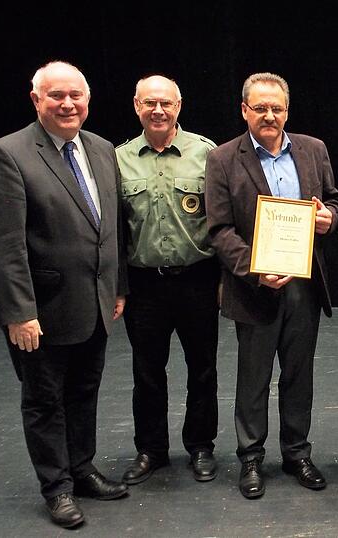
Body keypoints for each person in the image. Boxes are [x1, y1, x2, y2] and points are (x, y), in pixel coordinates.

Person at [0, 61, 129, 528]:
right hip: (41, 311)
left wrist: (118, 286)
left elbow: (112, 228)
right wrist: (18, 312)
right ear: (36, 99)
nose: (68, 104)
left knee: (84, 391)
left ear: (88, 100)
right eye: (56, 96)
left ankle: (81, 470)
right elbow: (2, 245)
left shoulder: (102, 149)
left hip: (96, 303)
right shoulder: (9, 154)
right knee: (45, 401)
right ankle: (57, 487)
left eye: (76, 96)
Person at [205, 72, 338, 499]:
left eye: (277, 108)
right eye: (260, 107)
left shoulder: (313, 150)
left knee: (299, 375)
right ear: (244, 110)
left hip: (304, 284)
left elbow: (335, 200)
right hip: (254, 287)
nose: (269, 115)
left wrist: (329, 218)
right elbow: (220, 229)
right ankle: (250, 457)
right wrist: (255, 269)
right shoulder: (224, 158)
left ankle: (297, 453)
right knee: (254, 378)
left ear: (287, 111)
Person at [115, 75, 221, 485]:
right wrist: (118, 286)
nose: (158, 111)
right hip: (145, 286)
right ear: (137, 105)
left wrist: (225, 279)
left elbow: (221, 220)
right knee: (146, 371)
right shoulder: (118, 159)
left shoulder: (207, 154)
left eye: (166, 103)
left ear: (179, 106)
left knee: (203, 369)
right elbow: (114, 233)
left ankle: (201, 446)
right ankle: (152, 450)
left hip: (197, 279)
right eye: (149, 103)